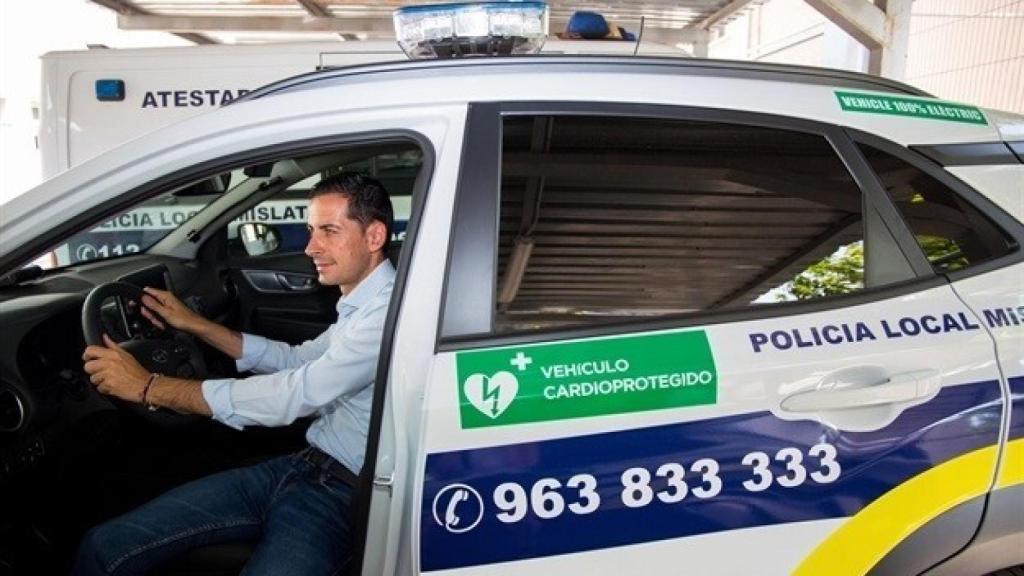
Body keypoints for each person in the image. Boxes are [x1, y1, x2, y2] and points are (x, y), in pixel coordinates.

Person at [74, 172, 396, 576]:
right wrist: (197, 325)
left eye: (329, 231)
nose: (312, 247)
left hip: (342, 494)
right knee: (104, 545)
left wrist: (149, 387)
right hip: (300, 466)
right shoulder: (363, 306)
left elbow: (294, 395)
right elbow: (296, 360)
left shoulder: (386, 315)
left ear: (374, 236)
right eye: (310, 231)